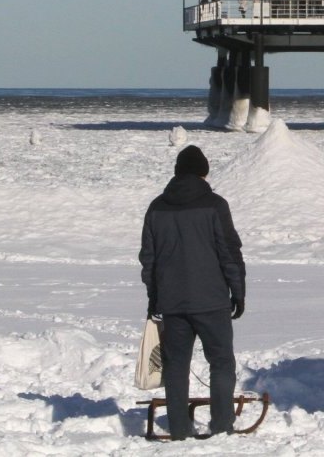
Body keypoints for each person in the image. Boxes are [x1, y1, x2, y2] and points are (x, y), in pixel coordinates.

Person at [139, 145, 245, 440]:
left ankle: (179, 429)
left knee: (175, 367)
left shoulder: (156, 207)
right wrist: (238, 292)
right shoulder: (215, 205)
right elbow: (229, 252)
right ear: (204, 172)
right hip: (211, 301)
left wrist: (154, 297)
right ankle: (222, 425)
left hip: (172, 302)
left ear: (176, 172)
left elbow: (149, 258)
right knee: (222, 362)